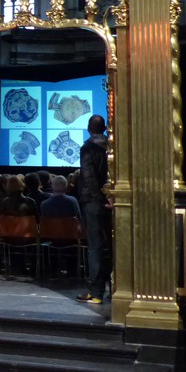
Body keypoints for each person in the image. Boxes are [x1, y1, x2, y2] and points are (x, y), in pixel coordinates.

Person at [76, 114, 110, 304]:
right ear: (104, 129)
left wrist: (97, 198)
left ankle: (96, 293)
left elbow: (88, 176)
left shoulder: (88, 148)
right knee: (111, 246)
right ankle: (114, 289)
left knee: (95, 247)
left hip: (94, 202)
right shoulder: (111, 146)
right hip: (111, 201)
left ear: (89, 129)